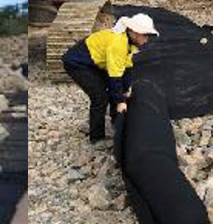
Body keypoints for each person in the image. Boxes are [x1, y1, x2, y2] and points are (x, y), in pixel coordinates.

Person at [61, 13, 159, 143]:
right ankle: (96, 138)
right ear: (135, 32)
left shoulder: (129, 43)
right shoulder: (118, 43)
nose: (146, 40)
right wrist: (120, 101)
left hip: (94, 63)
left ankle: (116, 123)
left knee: (117, 91)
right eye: (145, 35)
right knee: (100, 97)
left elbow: (127, 67)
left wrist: (126, 87)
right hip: (77, 63)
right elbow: (114, 76)